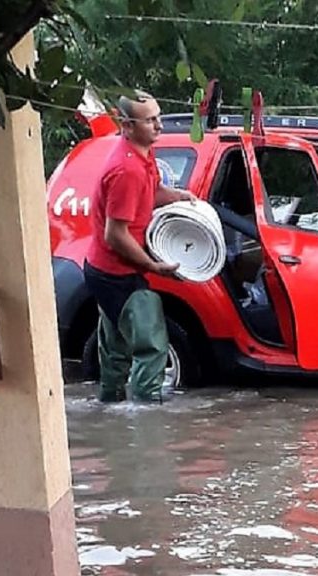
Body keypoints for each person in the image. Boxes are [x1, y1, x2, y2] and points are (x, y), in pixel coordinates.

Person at [83, 90, 194, 403]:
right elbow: (115, 235)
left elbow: (150, 193)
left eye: (158, 117)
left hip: (104, 269)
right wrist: (153, 266)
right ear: (127, 125)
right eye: (150, 121)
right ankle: (146, 421)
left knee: (115, 343)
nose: (159, 126)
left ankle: (111, 408)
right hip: (116, 272)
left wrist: (179, 196)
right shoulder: (126, 170)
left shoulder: (141, 155)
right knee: (152, 345)